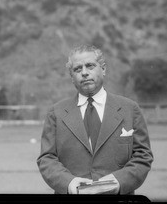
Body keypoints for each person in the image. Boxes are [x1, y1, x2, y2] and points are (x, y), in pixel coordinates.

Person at [37, 44, 153, 195]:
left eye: (90, 66)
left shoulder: (130, 109)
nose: (84, 73)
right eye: (77, 69)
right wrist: (70, 184)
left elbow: (143, 156)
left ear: (103, 69)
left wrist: (117, 182)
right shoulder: (56, 113)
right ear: (72, 77)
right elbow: (47, 158)